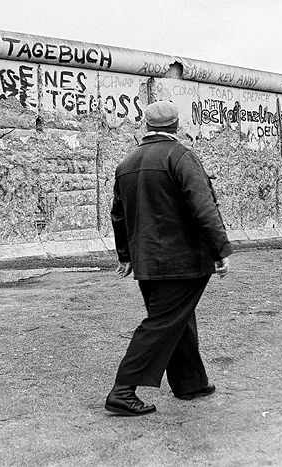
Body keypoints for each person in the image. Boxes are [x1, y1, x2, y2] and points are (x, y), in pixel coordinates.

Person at [105, 100, 233, 416]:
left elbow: (118, 215)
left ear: (146, 126)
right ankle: (122, 390)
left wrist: (126, 255)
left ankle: (191, 382)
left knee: (178, 316)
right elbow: (204, 209)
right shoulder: (181, 156)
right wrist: (220, 251)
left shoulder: (127, 163)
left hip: (147, 261)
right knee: (164, 321)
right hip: (183, 260)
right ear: (176, 126)